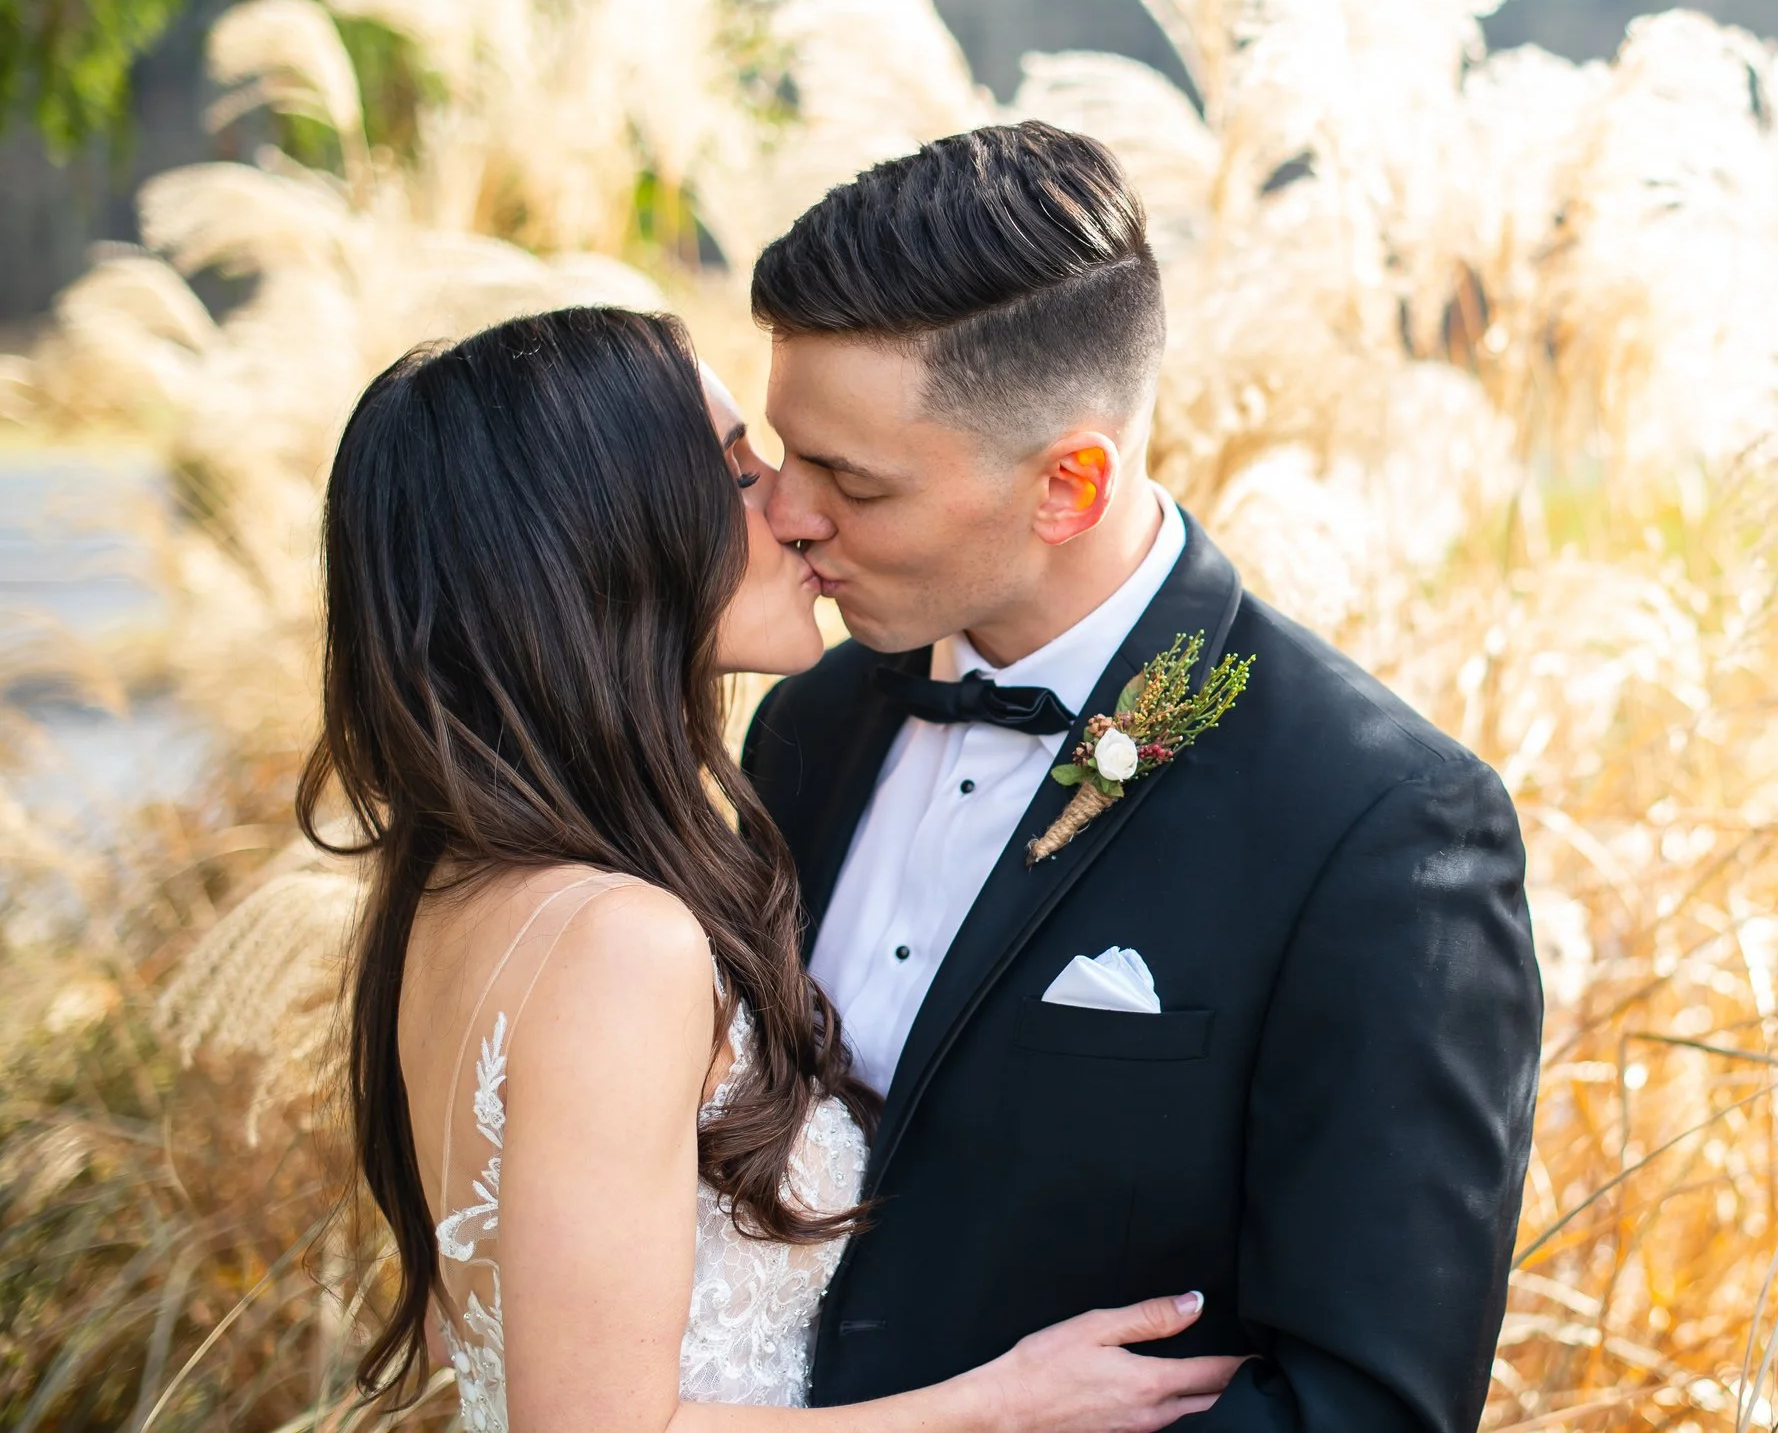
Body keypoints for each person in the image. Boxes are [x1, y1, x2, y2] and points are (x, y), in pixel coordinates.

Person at [309, 305, 1242, 1433]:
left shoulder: (463, 882)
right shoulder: (620, 944)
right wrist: (1001, 1406)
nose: (793, 512)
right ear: (605, 536)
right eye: (736, 470)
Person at [744, 122, 1542, 1431]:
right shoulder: (806, 728)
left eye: (849, 478)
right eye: (784, 450)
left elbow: (1368, 1407)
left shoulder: (1380, 826)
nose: (784, 511)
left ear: (1069, 481)